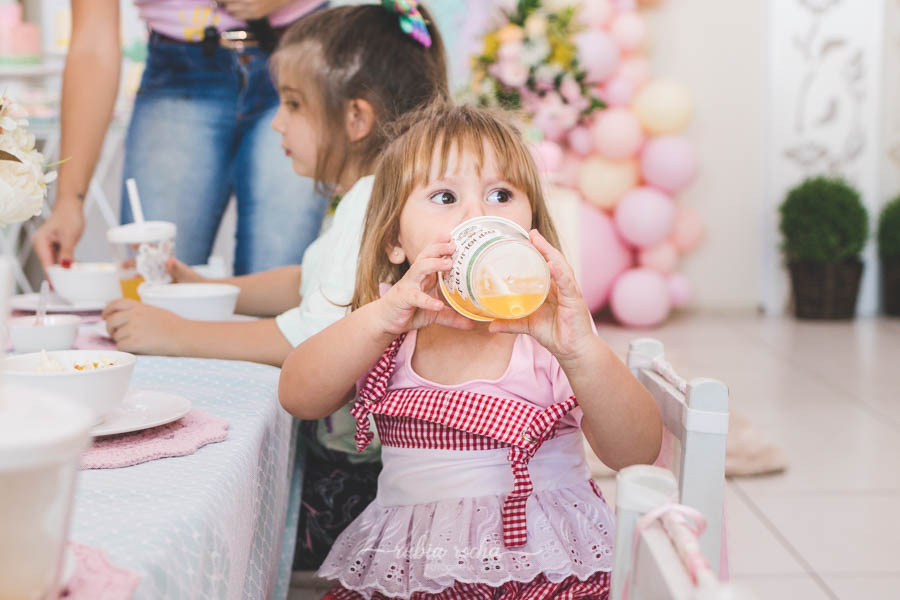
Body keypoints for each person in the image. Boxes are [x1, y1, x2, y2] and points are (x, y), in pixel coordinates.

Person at [103, 0, 448, 570]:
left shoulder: (370, 200)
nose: (276, 122)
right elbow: (307, 283)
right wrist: (214, 289)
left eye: (292, 105)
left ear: (357, 119)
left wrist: (179, 333)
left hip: (354, 485)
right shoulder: (374, 194)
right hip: (361, 469)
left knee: (194, 499)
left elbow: (306, 336)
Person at [278, 104, 663, 599]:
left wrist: (581, 350)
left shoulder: (551, 332)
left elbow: (635, 452)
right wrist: (381, 316)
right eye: (445, 196)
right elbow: (299, 395)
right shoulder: (389, 323)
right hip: (418, 569)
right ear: (396, 240)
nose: (478, 216)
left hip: (544, 572)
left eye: (501, 195)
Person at [33, 0, 328, 276]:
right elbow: (93, 43)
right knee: (157, 283)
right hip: (178, 70)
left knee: (280, 286)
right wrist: (69, 201)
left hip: (300, 57)